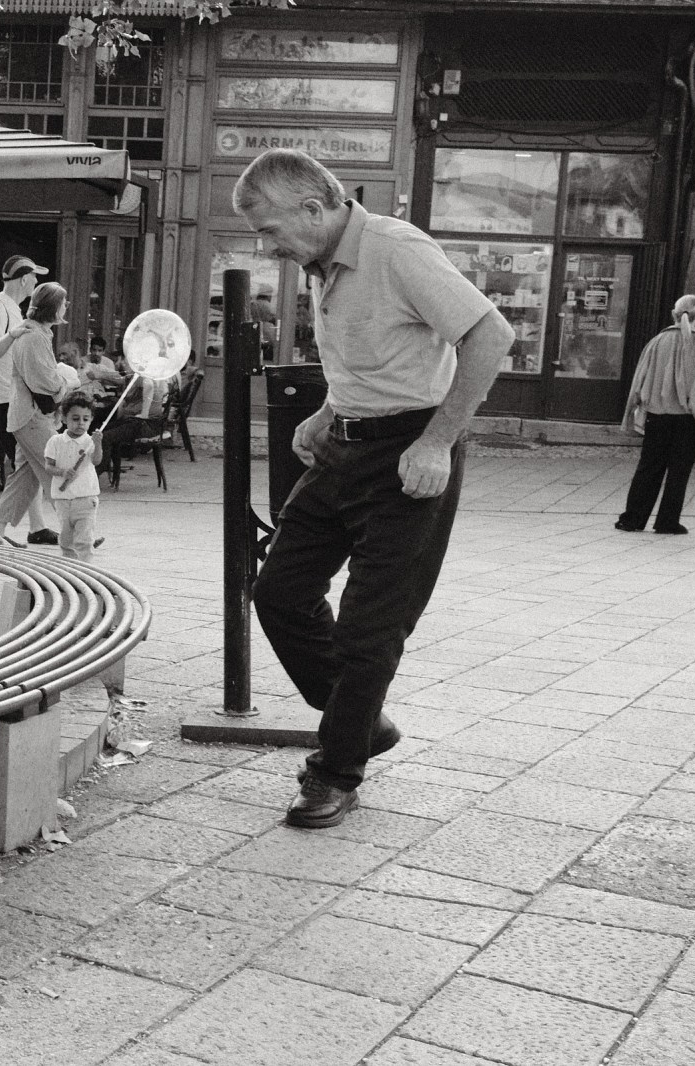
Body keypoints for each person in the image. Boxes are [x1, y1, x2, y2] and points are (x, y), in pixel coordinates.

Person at [233, 148, 514, 829]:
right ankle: (358, 720)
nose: (266, 245)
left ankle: (335, 770)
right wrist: (329, 411)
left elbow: (491, 335)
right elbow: (378, 350)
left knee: (369, 628)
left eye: (271, 229)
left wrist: (438, 441)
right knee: (279, 591)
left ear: (313, 208)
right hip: (345, 445)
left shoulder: (394, 248)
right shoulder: (323, 259)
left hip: (409, 450)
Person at [611, 295, 695, 535]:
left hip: (658, 415)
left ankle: (633, 519)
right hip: (689, 419)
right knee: (679, 472)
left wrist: (633, 410)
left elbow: (639, 380)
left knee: (648, 468)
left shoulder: (657, 341)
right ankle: (667, 521)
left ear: (674, 314)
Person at [0, 282, 72, 542]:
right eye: (63, 302)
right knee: (58, 468)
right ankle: (76, 529)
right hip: (31, 416)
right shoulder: (34, 337)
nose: (66, 306)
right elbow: (46, 381)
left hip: (26, 415)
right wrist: (65, 384)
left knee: (24, 479)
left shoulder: (38, 334)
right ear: (53, 307)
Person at [44, 395, 104, 560]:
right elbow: (48, 466)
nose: (81, 423)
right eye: (75, 418)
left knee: (84, 540)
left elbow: (96, 460)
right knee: (65, 540)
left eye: (86, 419)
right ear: (64, 418)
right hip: (63, 500)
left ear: (91, 419)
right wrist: (62, 472)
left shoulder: (90, 441)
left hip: (86, 498)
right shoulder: (55, 441)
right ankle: (71, 574)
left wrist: (98, 443)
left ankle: (86, 574)